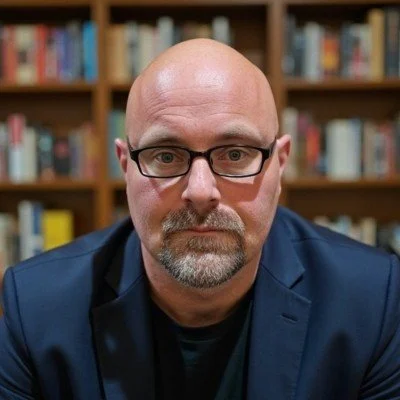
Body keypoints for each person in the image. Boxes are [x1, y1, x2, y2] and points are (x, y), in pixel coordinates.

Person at [0, 38, 399, 400]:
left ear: (279, 165)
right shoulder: (35, 308)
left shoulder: (371, 302)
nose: (201, 190)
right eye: (166, 156)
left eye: (236, 154)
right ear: (126, 167)